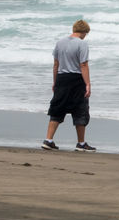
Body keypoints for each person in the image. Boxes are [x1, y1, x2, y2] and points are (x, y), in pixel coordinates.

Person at [41, 19, 95, 151]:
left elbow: (55, 64)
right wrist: (88, 84)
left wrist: (55, 82)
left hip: (61, 78)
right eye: (86, 33)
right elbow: (83, 65)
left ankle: (48, 140)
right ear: (84, 32)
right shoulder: (82, 44)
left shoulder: (60, 42)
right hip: (76, 79)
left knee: (57, 109)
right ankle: (81, 143)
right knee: (80, 110)